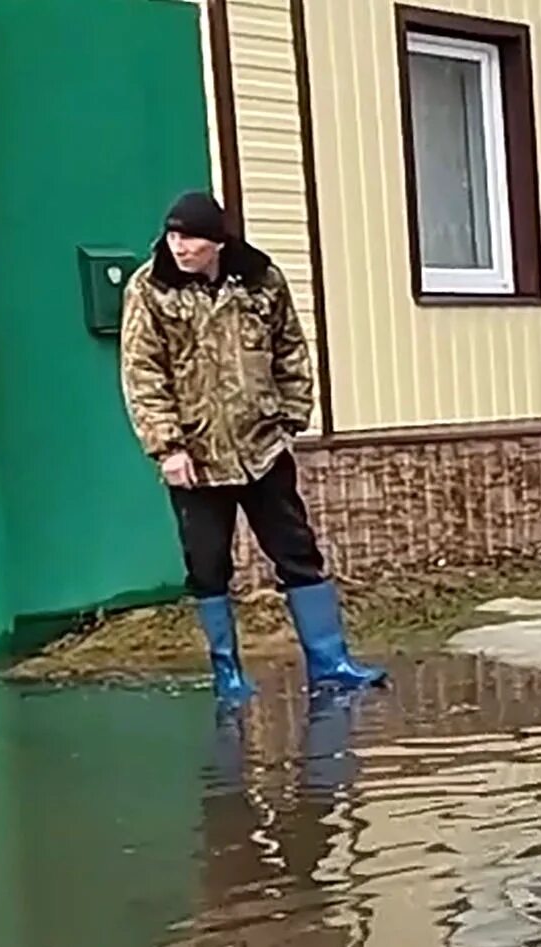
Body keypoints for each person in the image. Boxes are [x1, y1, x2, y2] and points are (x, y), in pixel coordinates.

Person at [119, 190, 384, 705]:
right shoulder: (150, 289)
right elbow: (142, 372)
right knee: (209, 565)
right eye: (172, 235)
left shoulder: (261, 280)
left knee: (297, 552)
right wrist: (167, 447)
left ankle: (331, 662)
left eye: (190, 237)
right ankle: (228, 673)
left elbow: (290, 347)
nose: (179, 246)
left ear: (217, 240)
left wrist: (290, 417)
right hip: (196, 457)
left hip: (262, 448)